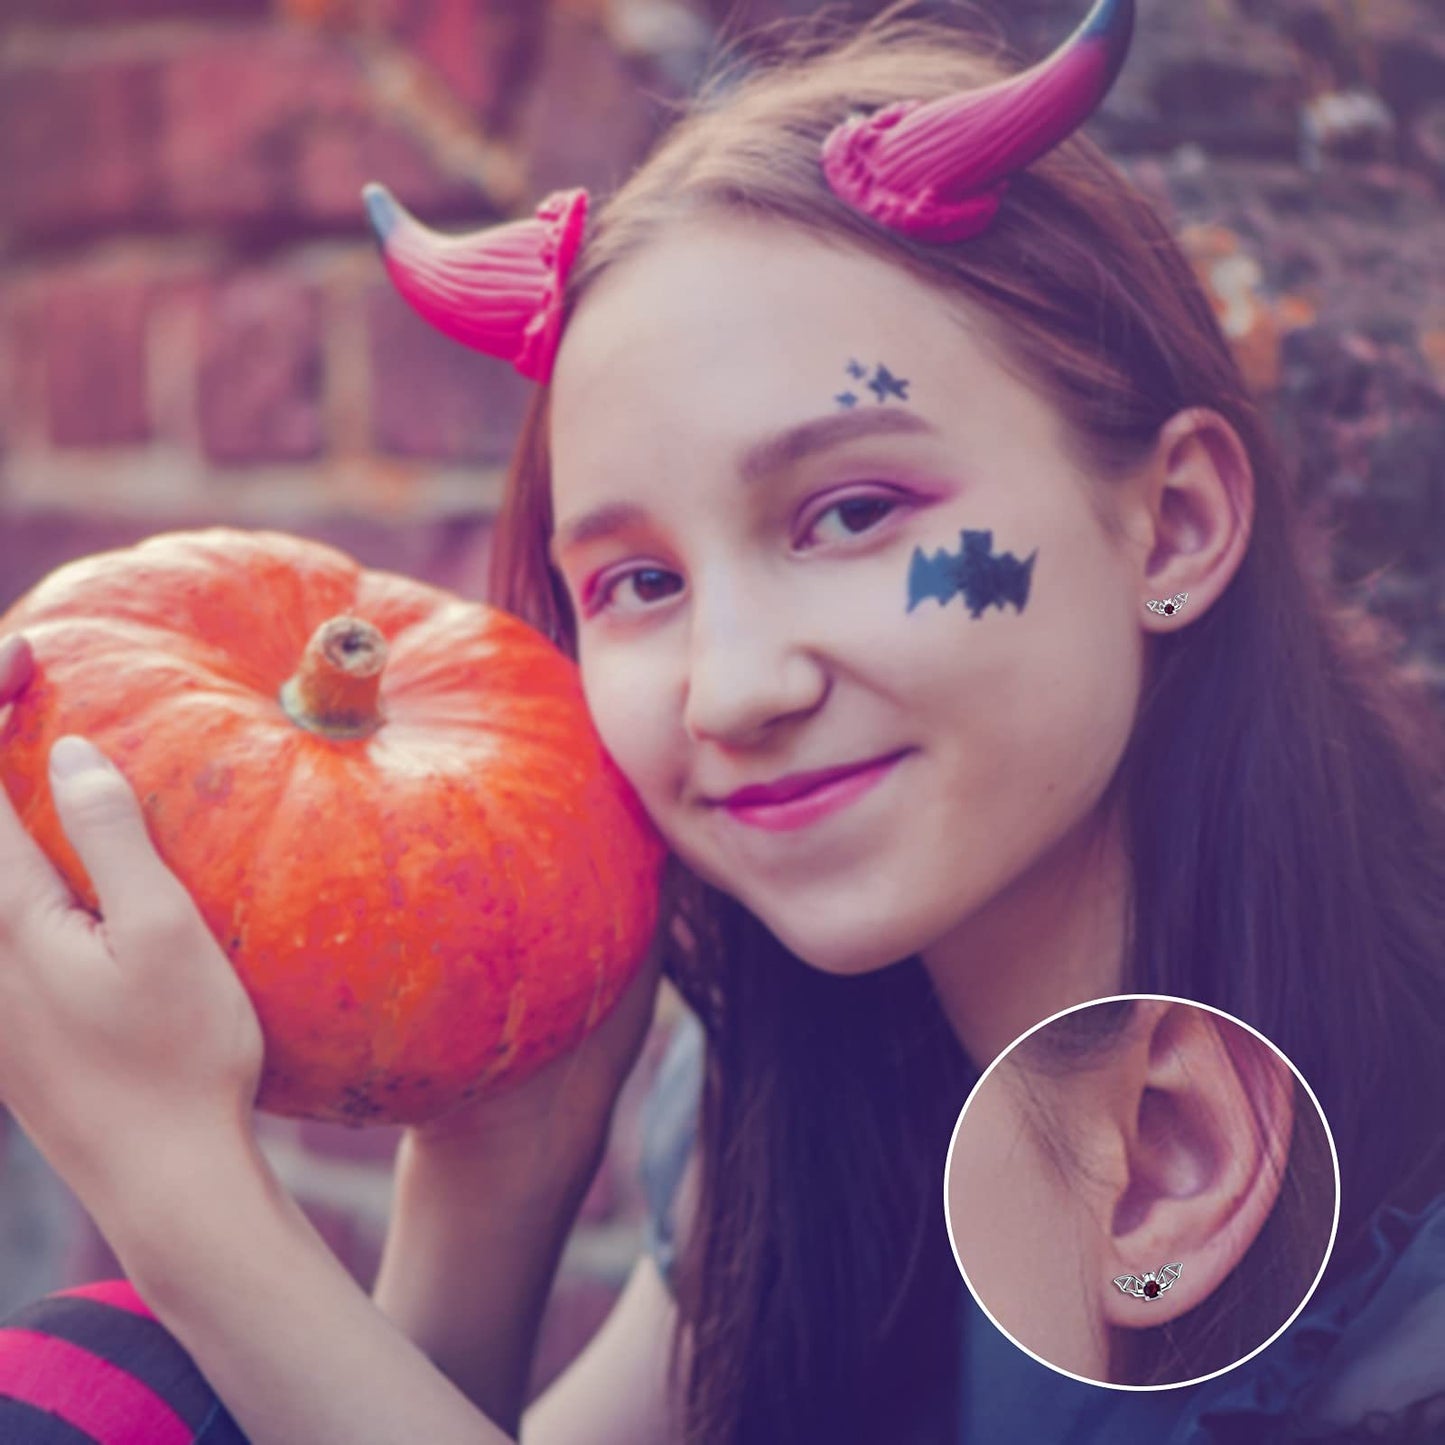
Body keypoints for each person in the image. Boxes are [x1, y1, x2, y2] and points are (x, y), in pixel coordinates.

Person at [0, 1, 1443, 1441]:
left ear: (1172, 526)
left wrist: (178, 1197)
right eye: (639, 580)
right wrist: (502, 1156)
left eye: (852, 512)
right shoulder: (787, 1083)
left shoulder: (1406, 1251)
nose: (734, 687)